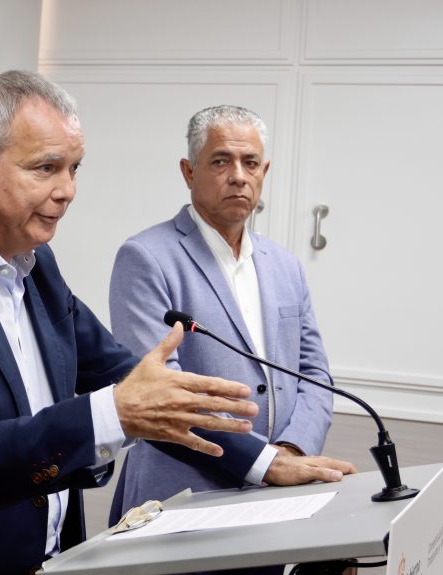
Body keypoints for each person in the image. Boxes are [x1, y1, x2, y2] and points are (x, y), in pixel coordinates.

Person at [0, 71, 273, 575]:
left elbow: (132, 380)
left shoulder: (35, 264)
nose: (67, 190)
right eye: (47, 168)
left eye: (74, 168)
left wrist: (267, 463)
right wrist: (111, 414)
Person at [108, 105, 356, 572]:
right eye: (221, 161)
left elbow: (315, 374)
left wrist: (291, 452)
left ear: (265, 172)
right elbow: (162, 393)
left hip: (276, 495)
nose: (238, 176)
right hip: (182, 498)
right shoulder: (146, 257)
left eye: (251, 163)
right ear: (189, 171)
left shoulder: (285, 265)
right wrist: (265, 461)